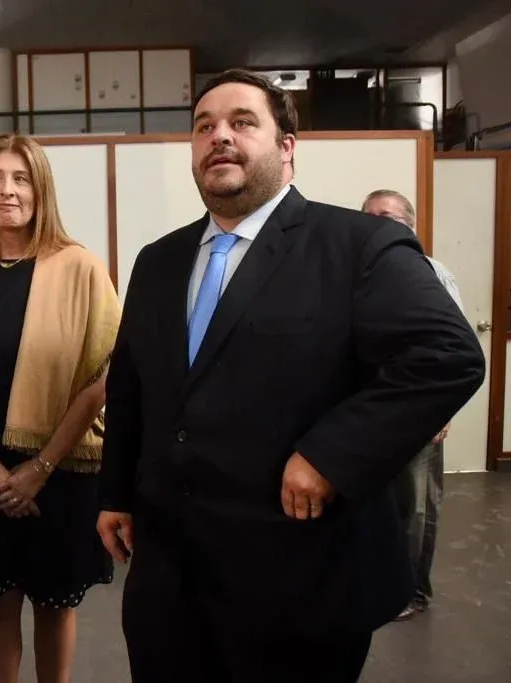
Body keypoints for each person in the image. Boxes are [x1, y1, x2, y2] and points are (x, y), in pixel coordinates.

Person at [96, 68, 486, 683]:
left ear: (287, 147)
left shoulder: (358, 245)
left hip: (298, 579)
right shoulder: (159, 261)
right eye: (204, 126)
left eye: (242, 122)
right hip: (169, 581)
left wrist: (331, 455)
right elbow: (130, 387)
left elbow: (447, 356)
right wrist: (116, 492)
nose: (219, 136)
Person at [0, 133, 120, 683]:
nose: (6, 190)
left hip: (59, 469)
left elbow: (102, 379)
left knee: (55, 604)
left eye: (20, 178)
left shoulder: (80, 268)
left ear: (41, 191)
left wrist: (39, 468)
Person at [362, 188, 465, 620]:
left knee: (416, 507)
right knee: (376, 505)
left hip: (417, 413)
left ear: (411, 225)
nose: (378, 223)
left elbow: (454, 352)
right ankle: (381, 583)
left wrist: (441, 411)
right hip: (367, 413)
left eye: (388, 216)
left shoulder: (431, 274)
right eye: (370, 216)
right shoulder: (356, 272)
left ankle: (413, 592)